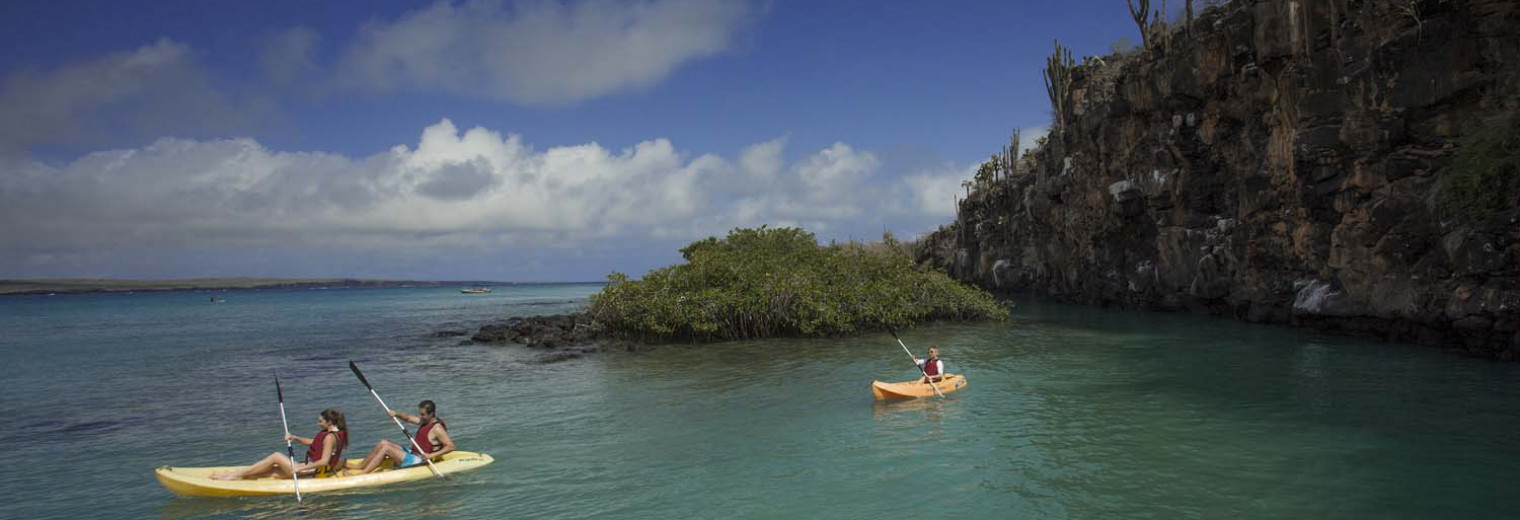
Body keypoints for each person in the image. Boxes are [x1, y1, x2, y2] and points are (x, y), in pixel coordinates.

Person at [212, 409, 349, 480]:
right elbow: (314, 443)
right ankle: (241, 476)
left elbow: (324, 461)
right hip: (310, 468)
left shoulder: (330, 438)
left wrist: (299, 468)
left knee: (276, 457)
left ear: (329, 422)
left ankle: (235, 475)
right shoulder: (332, 433)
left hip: (313, 471)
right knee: (273, 472)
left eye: (320, 421)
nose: (318, 423)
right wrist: (294, 438)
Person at [347, 400, 454, 475]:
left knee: (386, 449)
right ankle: (360, 466)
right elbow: (407, 418)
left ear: (431, 414)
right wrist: (396, 414)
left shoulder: (437, 428)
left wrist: (431, 455)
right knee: (383, 443)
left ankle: (363, 474)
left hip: (421, 460)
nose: (420, 417)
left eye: (423, 415)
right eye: (419, 414)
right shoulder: (424, 421)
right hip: (414, 454)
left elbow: (450, 446)